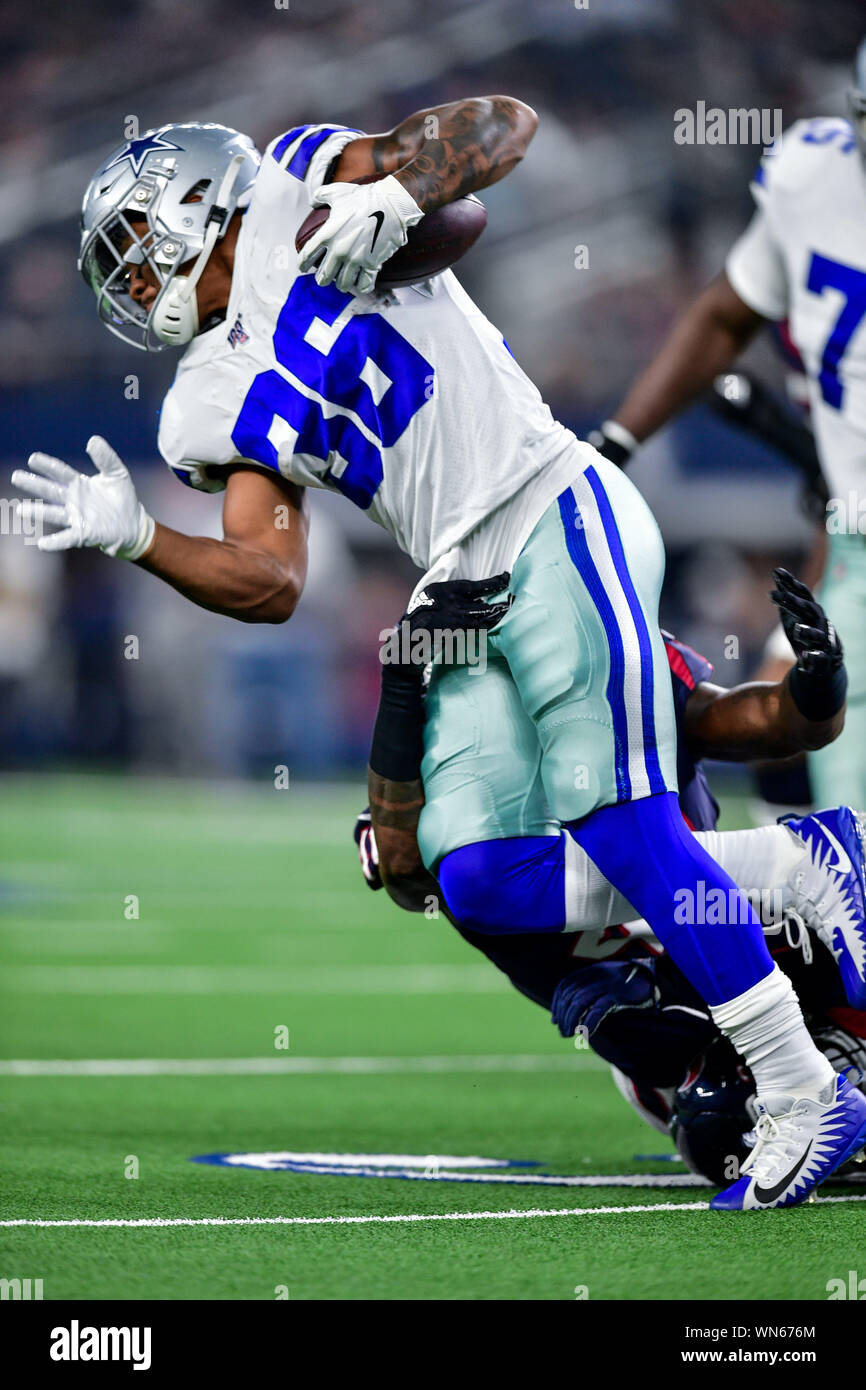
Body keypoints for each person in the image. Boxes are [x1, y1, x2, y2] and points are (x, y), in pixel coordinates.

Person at [13, 104, 866, 1208]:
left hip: (545, 500)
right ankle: (790, 870)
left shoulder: (296, 180)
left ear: (192, 207)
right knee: (464, 873)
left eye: (134, 254)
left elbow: (497, 131)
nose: (130, 289)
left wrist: (395, 191)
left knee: (617, 814)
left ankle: (800, 1084)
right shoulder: (198, 404)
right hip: (455, 582)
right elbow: (269, 580)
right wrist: (137, 538)